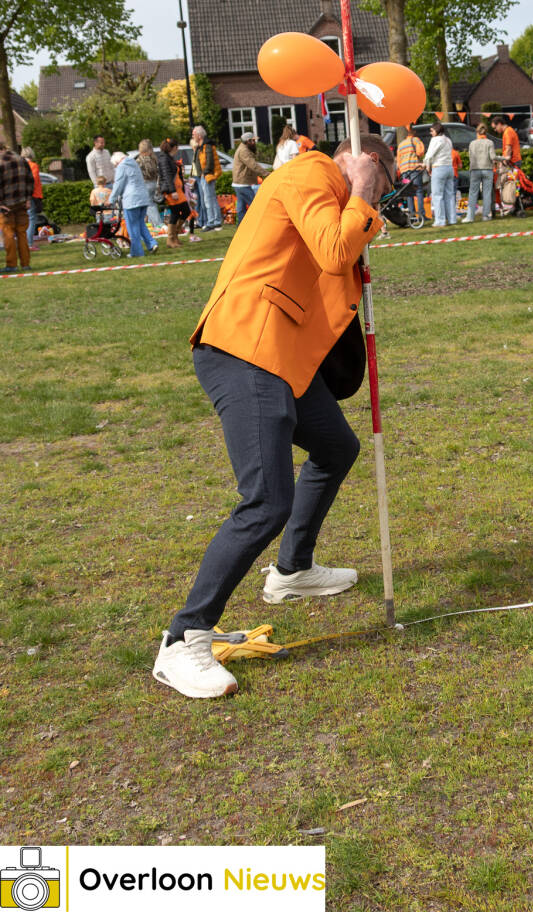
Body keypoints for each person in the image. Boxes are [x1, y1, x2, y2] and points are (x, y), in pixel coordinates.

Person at [152, 135, 395, 699]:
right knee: (266, 499)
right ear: (365, 162)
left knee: (336, 448)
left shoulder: (338, 200)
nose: (382, 196)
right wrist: (360, 191)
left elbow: (334, 269)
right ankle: (182, 638)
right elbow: (334, 251)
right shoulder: (312, 173)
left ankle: (292, 572)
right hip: (246, 349)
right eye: (383, 181)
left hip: (283, 357)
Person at [109, 152, 159, 257]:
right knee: (141, 224)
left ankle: (137, 252)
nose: (115, 167)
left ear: (117, 162)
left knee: (132, 227)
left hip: (131, 200)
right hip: (143, 197)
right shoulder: (134, 163)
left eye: (115, 165)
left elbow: (118, 184)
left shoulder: (121, 167)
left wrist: (111, 199)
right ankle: (152, 244)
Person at [157, 138, 197, 246]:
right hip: (172, 191)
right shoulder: (164, 159)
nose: (177, 149)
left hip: (178, 190)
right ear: (174, 147)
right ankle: (171, 239)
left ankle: (175, 236)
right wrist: (172, 191)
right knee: (175, 213)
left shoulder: (168, 158)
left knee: (186, 211)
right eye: (177, 147)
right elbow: (166, 176)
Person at [0, 145, 34, 273]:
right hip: (22, 202)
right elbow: (30, 181)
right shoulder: (21, 159)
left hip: (6, 204)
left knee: (8, 234)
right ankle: (25, 264)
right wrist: (28, 199)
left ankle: (11, 265)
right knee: (22, 233)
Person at [424, 122, 457, 226]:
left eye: (432, 131)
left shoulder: (435, 140)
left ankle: (440, 220)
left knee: (437, 195)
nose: (431, 133)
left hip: (438, 168)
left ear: (437, 131)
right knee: (450, 195)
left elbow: (429, 156)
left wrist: (427, 167)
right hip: (449, 167)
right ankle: (452, 219)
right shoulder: (448, 140)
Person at [232, 132, 271, 222]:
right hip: (243, 183)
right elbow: (253, 165)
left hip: (240, 183)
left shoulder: (244, 148)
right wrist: (266, 173)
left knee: (241, 208)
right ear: (248, 141)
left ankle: (241, 228)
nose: (254, 142)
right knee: (255, 206)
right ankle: (260, 224)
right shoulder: (244, 151)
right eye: (253, 140)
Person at [191, 125, 223, 231]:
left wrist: (204, 173)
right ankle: (216, 221)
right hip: (205, 175)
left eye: (194, 134)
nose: (193, 136)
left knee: (209, 200)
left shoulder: (206, 146)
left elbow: (209, 162)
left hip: (207, 176)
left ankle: (212, 222)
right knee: (210, 199)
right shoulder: (202, 146)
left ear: (199, 136)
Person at [464, 124, 496, 222]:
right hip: (487, 169)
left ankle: (470, 217)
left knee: (473, 193)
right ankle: (485, 216)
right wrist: (503, 158)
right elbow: (493, 157)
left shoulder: (472, 143)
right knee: (486, 194)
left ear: (477, 132)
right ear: (486, 132)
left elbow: (470, 157)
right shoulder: (490, 142)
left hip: (475, 170)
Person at [396, 128, 426, 225]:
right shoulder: (416, 140)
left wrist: (401, 171)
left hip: (405, 171)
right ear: (414, 133)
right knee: (419, 190)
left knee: (409, 193)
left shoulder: (401, 145)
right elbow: (420, 152)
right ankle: (422, 215)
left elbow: (398, 160)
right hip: (414, 168)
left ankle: (412, 216)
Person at [136, 139, 164, 230]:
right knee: (152, 204)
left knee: (149, 205)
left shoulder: (139, 160)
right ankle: (155, 224)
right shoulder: (154, 158)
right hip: (153, 183)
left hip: (145, 183)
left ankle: (158, 224)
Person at [20, 147, 43, 251]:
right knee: (31, 219)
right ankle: (28, 244)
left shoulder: (19, 166)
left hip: (19, 196)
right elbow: (32, 182)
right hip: (31, 196)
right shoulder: (33, 166)